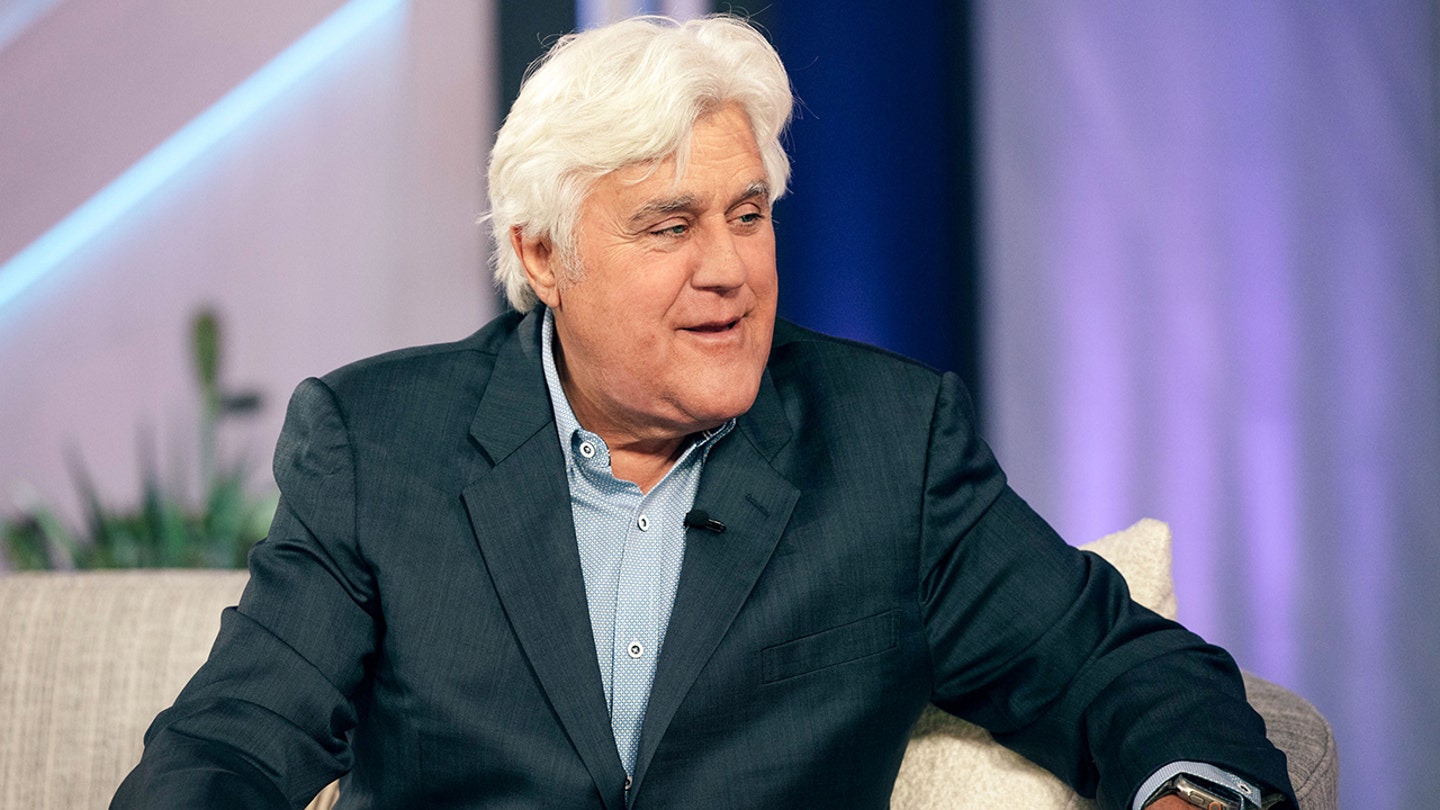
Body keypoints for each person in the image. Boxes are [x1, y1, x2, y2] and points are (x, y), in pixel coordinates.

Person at [115, 15, 1295, 810]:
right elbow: (235, 739)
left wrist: (1193, 794)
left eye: (747, 214)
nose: (729, 270)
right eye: (671, 225)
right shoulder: (380, 447)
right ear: (543, 254)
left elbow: (1113, 666)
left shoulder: (890, 444)